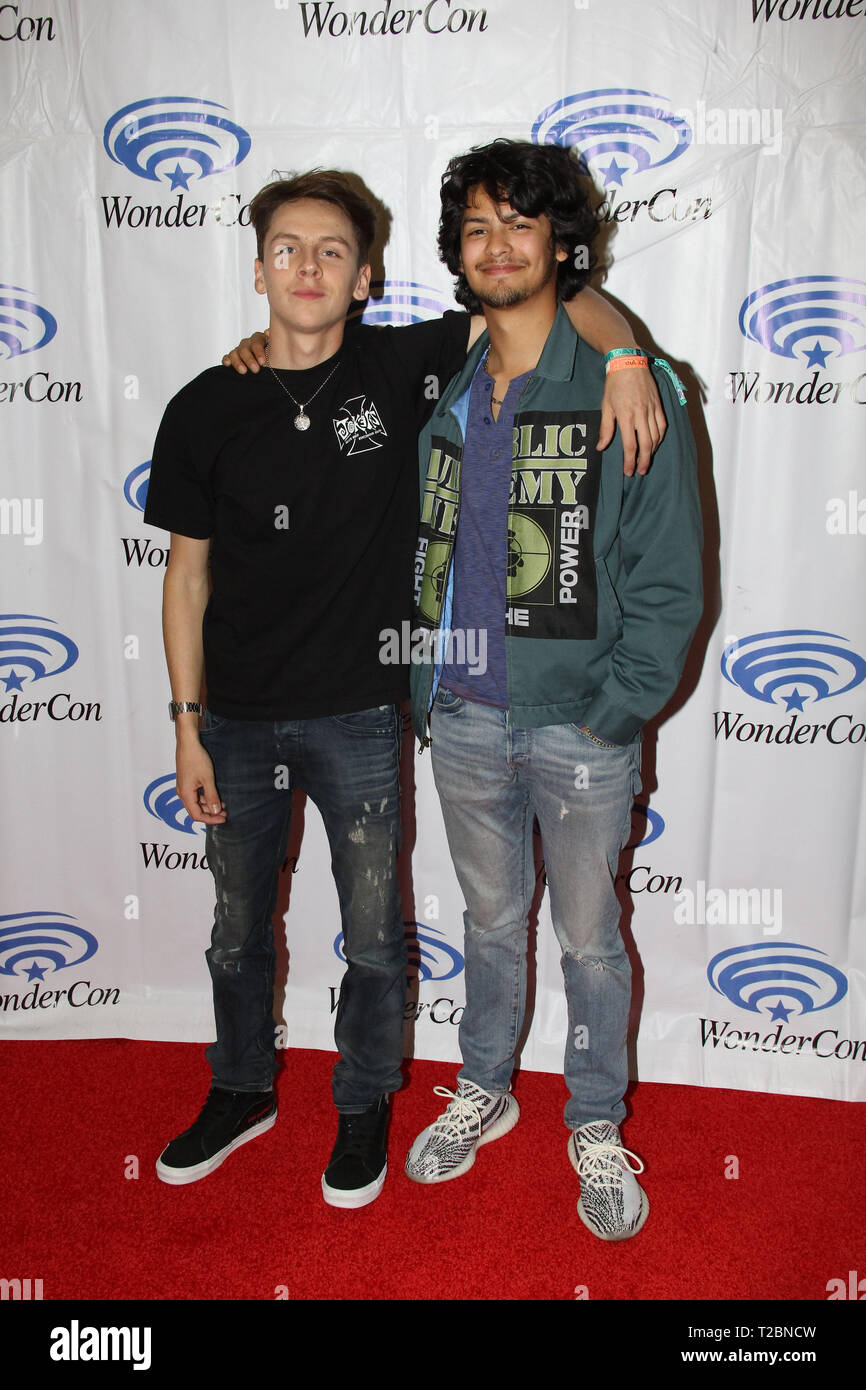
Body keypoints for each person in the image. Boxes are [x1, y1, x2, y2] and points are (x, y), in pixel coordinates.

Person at [147, 167, 666, 1210]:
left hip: (366, 712)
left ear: (366, 275)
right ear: (256, 269)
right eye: (286, 249)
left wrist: (620, 352)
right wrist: (187, 725)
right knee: (240, 926)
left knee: (414, 936)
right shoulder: (208, 404)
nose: (306, 266)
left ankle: (388, 1098)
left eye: (331, 250)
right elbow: (185, 573)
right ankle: (248, 1087)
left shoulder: (406, 366)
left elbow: (534, 286)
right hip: (267, 720)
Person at [403, 140, 702, 1242]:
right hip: (463, 717)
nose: (495, 245)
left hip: (578, 726)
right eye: (476, 227)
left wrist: (613, 707)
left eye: (519, 225)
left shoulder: (628, 384)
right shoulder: (444, 382)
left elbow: (669, 577)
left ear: (561, 243)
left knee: (586, 942)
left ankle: (591, 1118)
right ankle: (483, 1086)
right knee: (488, 925)